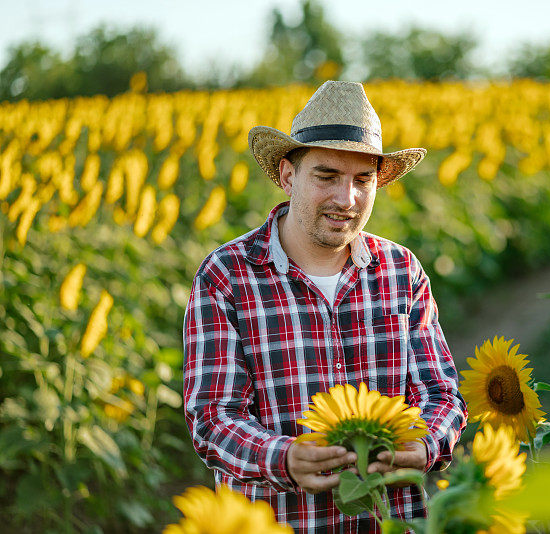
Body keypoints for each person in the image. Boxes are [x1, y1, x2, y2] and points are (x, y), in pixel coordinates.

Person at [182, 80, 467, 532]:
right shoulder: (227, 275)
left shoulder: (401, 271)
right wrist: (284, 457)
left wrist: (425, 445)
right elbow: (213, 417)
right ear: (287, 175)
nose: (346, 199)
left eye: (362, 180)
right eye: (327, 176)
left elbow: (442, 395)